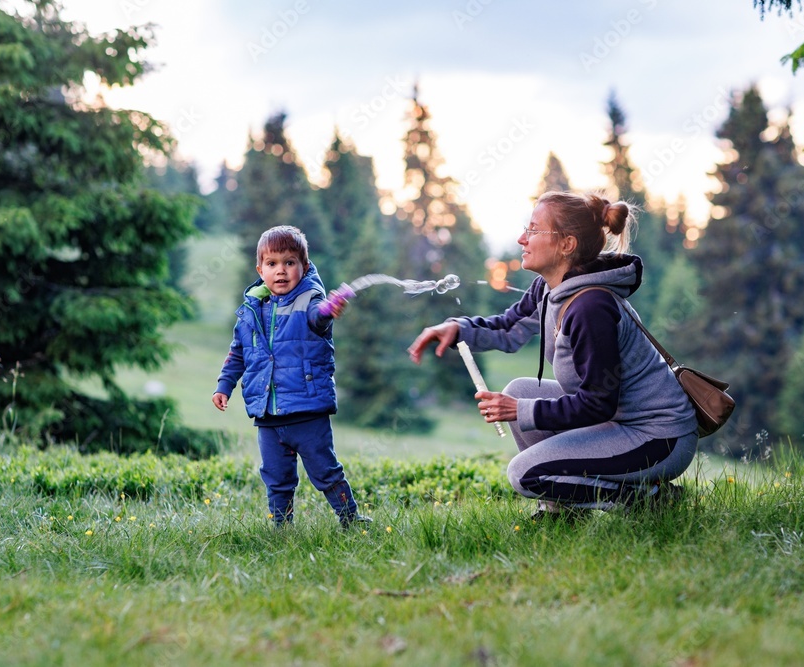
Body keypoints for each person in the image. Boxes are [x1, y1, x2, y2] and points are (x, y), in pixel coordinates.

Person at [408, 191, 698, 516]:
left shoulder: (591, 308)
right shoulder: (550, 289)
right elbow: (508, 328)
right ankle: (563, 513)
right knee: (520, 390)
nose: (522, 239)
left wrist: (522, 411)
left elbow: (598, 403)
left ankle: (652, 499)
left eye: (533, 230)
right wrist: (458, 329)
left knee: (525, 474)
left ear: (566, 244)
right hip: (618, 422)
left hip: (657, 439)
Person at [212, 225, 371, 529]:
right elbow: (238, 353)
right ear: (260, 269)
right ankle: (281, 529)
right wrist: (224, 385)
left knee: (325, 471)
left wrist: (329, 308)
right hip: (268, 414)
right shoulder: (251, 310)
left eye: (289, 262)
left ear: (304, 266)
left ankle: (350, 518)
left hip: (307, 410)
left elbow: (318, 318)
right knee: (276, 477)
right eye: (272, 264)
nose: (281, 271)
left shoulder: (310, 301)